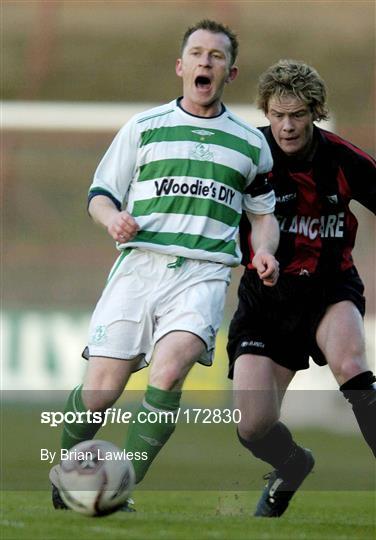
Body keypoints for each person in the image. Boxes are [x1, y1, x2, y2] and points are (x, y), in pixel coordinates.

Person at [49, 20, 280, 510]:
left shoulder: (249, 144)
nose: (205, 62)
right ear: (180, 66)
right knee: (101, 392)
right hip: (139, 269)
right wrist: (114, 220)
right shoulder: (144, 127)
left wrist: (265, 250)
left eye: (215, 56)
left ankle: (117, 487)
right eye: (196, 53)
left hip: (203, 274)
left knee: (171, 371)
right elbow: (99, 197)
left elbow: (263, 216)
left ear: (230, 72)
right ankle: (65, 473)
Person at [228, 59, 376, 518]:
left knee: (351, 363)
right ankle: (292, 466)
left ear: (316, 112)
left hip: (330, 290)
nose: (287, 126)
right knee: (253, 427)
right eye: (277, 115)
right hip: (265, 303)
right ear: (265, 113)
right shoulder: (248, 155)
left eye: (297, 115)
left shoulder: (344, 159)